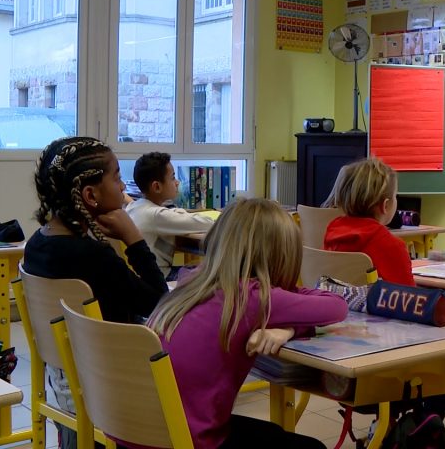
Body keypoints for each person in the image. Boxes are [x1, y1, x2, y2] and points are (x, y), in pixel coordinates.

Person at [148, 198, 348, 449]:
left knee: (272, 432)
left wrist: (288, 328)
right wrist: (291, 325)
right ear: (282, 256)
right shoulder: (253, 297)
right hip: (188, 441)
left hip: (140, 433)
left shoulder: (190, 280)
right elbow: (337, 305)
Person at [24, 136, 169, 449]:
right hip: (110, 392)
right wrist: (134, 240)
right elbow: (159, 303)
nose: (123, 188)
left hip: (66, 385)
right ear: (89, 195)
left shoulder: (37, 244)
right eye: (117, 177)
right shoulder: (93, 257)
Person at [322, 157, 414, 286]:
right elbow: (408, 299)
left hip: (338, 304)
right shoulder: (392, 246)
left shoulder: (333, 231)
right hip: (371, 306)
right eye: (395, 196)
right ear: (385, 205)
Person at [127, 152, 215, 279]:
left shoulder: (133, 206)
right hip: (162, 278)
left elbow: (172, 215)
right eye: (173, 178)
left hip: (143, 278)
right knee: (213, 272)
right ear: (157, 186)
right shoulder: (157, 215)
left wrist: (176, 212)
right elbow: (207, 223)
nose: (177, 182)